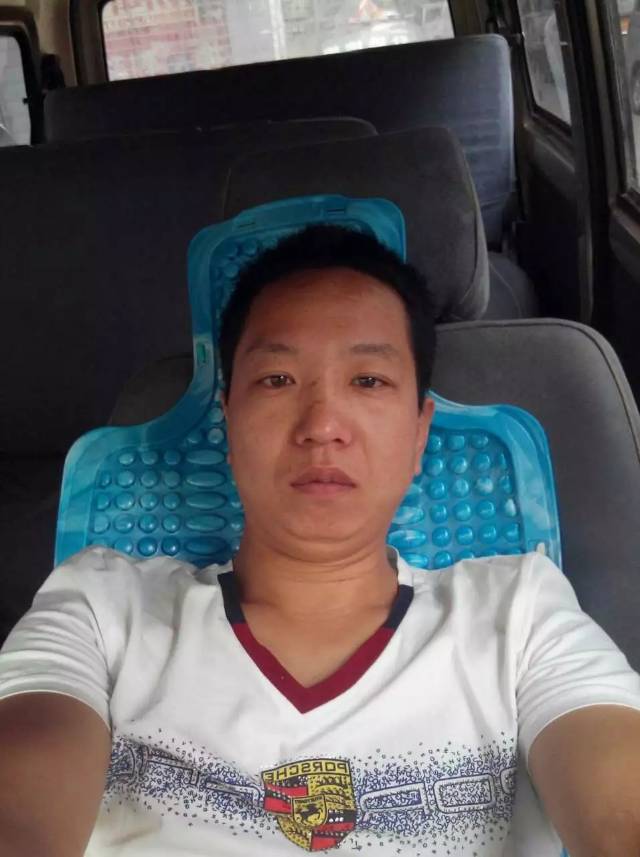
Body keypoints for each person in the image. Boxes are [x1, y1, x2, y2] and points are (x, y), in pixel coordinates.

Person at [1, 224, 640, 856]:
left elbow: (621, 808)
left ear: (420, 431)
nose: (322, 425)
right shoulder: (102, 609)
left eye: (368, 381)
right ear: (228, 420)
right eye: (277, 379)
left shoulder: (520, 615)